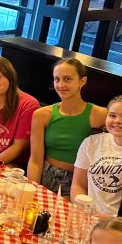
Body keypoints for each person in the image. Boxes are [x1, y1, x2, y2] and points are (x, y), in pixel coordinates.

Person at [28, 59, 107, 193]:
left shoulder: (100, 114)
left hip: (80, 181)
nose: (61, 85)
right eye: (56, 79)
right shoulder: (41, 115)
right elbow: (35, 160)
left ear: (82, 81)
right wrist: (33, 189)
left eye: (67, 79)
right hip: (47, 176)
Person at [71, 94, 122, 215]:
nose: (117, 121)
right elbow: (78, 185)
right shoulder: (91, 142)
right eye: (112, 115)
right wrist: (83, 211)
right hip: (89, 215)